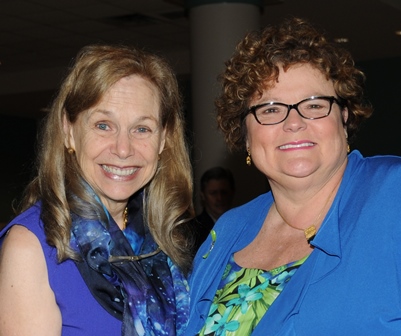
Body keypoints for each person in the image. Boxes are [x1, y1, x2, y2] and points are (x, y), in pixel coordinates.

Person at [186, 17, 401, 335]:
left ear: (344, 116)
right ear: (246, 136)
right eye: (270, 109)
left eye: (314, 105)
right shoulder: (229, 229)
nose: (294, 122)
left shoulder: (392, 197)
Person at [0, 44, 195, 335]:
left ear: (164, 139)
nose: (123, 148)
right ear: (69, 130)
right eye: (104, 125)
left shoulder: (160, 242)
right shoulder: (32, 247)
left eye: (142, 129)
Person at [194, 166, 235, 250]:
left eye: (224, 192)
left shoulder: (241, 225)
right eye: (213, 193)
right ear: (203, 195)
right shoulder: (193, 229)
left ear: (232, 192)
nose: (219, 198)